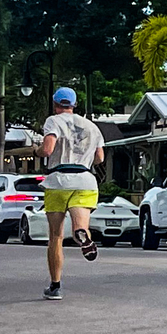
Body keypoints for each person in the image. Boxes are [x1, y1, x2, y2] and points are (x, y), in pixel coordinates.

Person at [37, 88, 106, 300]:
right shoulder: (92, 127)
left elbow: (48, 149)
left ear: (56, 104)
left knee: (56, 236)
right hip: (85, 180)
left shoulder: (53, 121)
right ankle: (81, 234)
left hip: (58, 180)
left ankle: (55, 285)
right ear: (74, 105)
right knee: (81, 225)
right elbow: (100, 158)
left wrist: (36, 151)